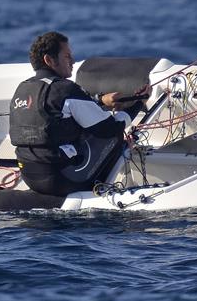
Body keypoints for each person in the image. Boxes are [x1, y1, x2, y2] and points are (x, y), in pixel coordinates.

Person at [9, 32, 149, 196]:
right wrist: (139, 103)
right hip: (61, 180)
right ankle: (100, 187)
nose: (73, 61)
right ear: (49, 60)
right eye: (67, 56)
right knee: (112, 134)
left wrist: (101, 101)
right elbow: (111, 128)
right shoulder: (65, 89)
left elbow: (54, 111)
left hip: (30, 176)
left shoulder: (23, 88)